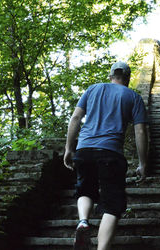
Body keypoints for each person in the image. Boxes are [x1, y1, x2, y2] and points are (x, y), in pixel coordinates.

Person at [63, 61, 149, 250]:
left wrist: (69, 148)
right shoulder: (133, 97)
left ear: (110, 76)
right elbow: (140, 131)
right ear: (127, 78)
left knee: (85, 190)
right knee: (112, 205)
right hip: (110, 153)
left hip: (84, 150)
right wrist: (143, 163)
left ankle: (83, 221)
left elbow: (76, 118)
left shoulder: (93, 89)